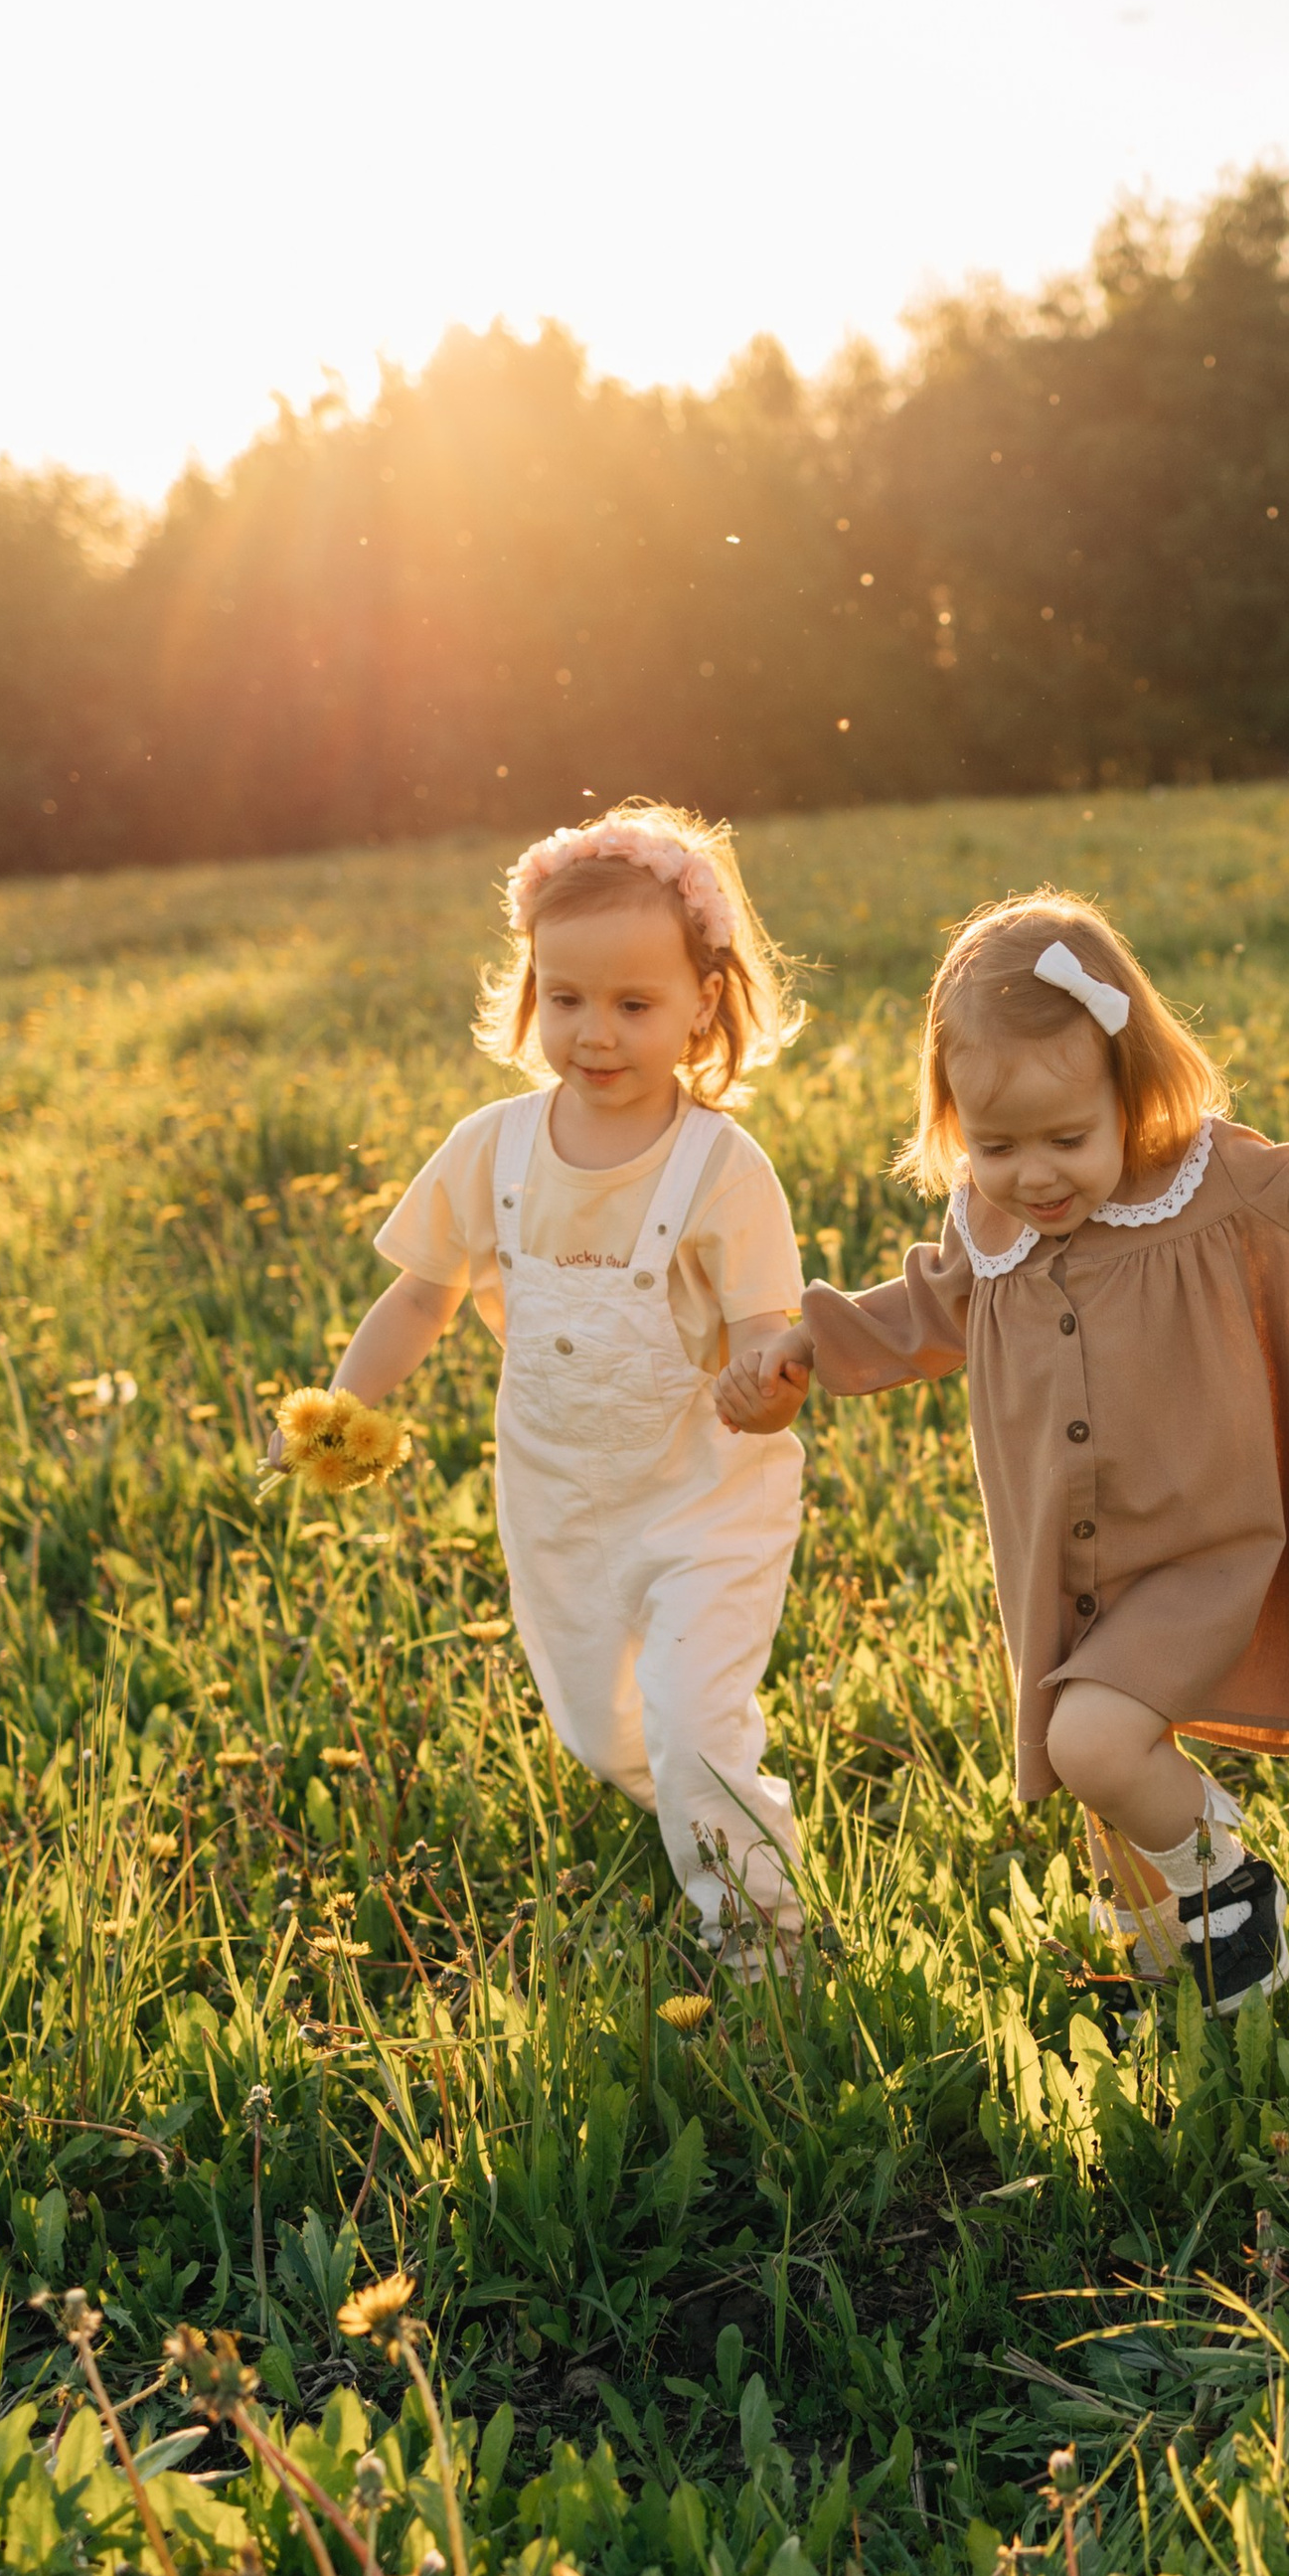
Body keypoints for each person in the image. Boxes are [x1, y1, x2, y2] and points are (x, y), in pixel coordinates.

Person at [718, 891, 1289, 2010]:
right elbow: (928, 1309)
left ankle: (1230, 1886)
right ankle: (1175, 1970)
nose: (1034, 1176)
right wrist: (805, 1344)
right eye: (996, 1145)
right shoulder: (990, 1226)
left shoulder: (1212, 1185)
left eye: (1067, 1139)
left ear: (1129, 1091)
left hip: (1204, 1552)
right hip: (1071, 1562)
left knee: (1096, 1743)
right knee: (1089, 1766)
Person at [307, 801, 813, 1977]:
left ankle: (761, 1933)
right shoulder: (493, 1147)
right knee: (604, 1733)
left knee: (694, 1718)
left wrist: (770, 1387)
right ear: (531, 989)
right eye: (566, 998)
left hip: (704, 1497)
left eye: (634, 1005)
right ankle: (683, 1798)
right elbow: (420, 1298)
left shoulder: (723, 1171)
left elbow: (764, 1331)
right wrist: (343, 1411)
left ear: (703, 1001)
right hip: (560, 1506)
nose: (596, 1032)